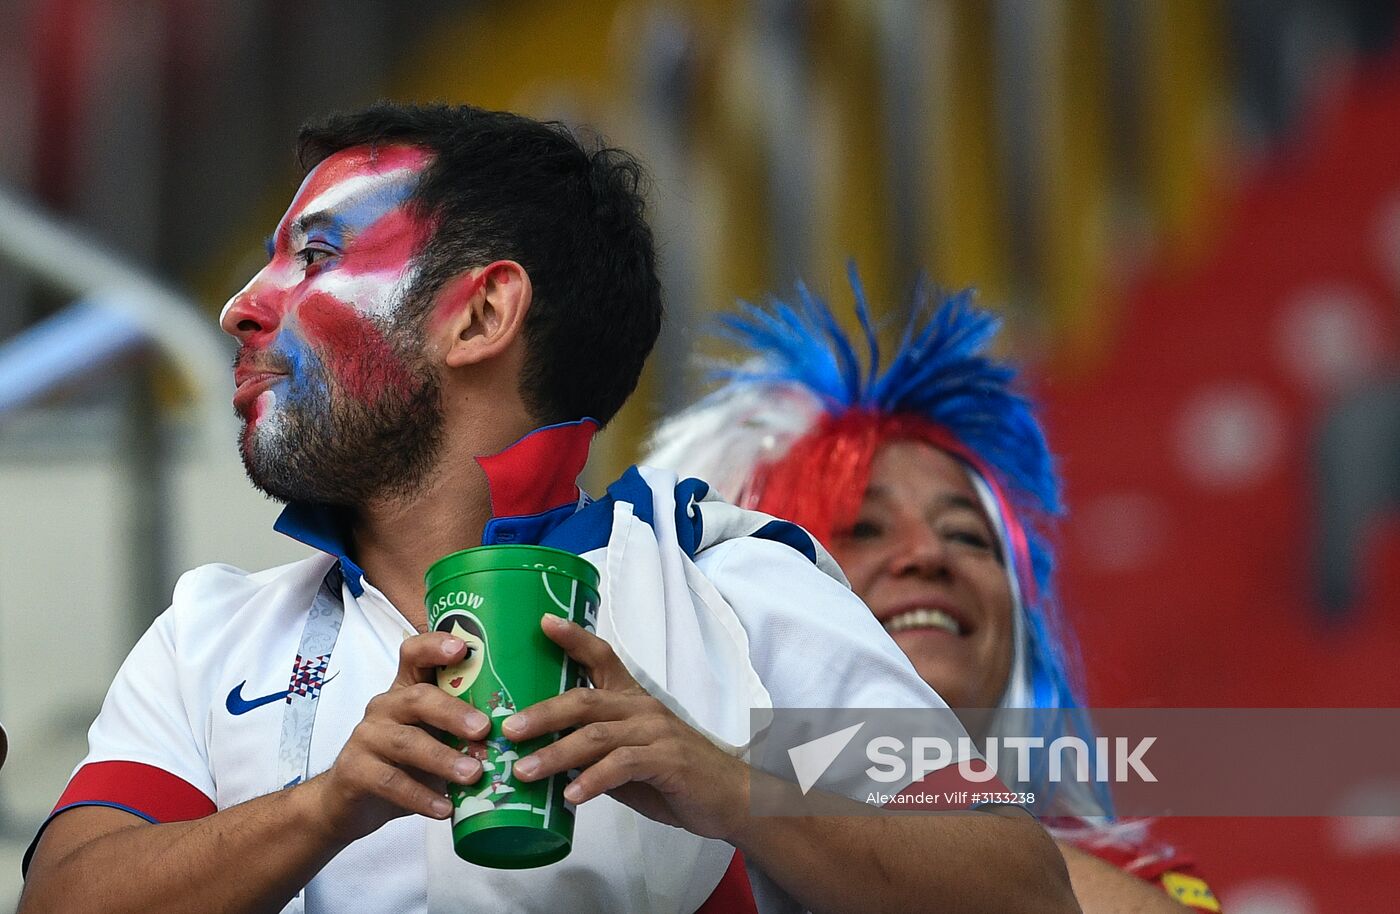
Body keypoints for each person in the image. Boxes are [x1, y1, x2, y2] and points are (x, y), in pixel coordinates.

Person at [18, 105, 1077, 914]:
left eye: (319, 257)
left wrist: (718, 780)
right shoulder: (210, 631)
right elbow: (63, 896)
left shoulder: (727, 581)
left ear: (480, 312)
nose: (241, 304)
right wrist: (326, 804)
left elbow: (1018, 883)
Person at [645, 266, 1221, 913]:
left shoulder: (1135, 880)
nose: (928, 554)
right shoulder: (649, 863)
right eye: (862, 529)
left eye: (969, 537)